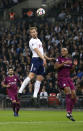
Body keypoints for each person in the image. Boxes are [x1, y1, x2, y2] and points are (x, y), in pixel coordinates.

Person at [18, 27, 53, 103]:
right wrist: (43, 59)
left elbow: (41, 51)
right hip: (36, 59)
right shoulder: (32, 41)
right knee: (31, 76)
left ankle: (34, 96)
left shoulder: (39, 40)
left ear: (36, 32)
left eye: (34, 32)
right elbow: (37, 51)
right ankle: (20, 91)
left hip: (41, 59)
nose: (33, 33)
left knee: (40, 78)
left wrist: (47, 58)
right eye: (32, 32)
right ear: (30, 34)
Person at [55, 48, 78, 121]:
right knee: (68, 93)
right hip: (62, 78)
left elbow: (71, 70)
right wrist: (63, 63)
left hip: (69, 78)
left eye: (64, 51)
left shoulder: (70, 60)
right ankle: (68, 112)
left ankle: (70, 113)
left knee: (74, 95)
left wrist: (74, 65)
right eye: (61, 51)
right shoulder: (59, 59)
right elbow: (55, 67)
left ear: (67, 52)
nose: (62, 52)